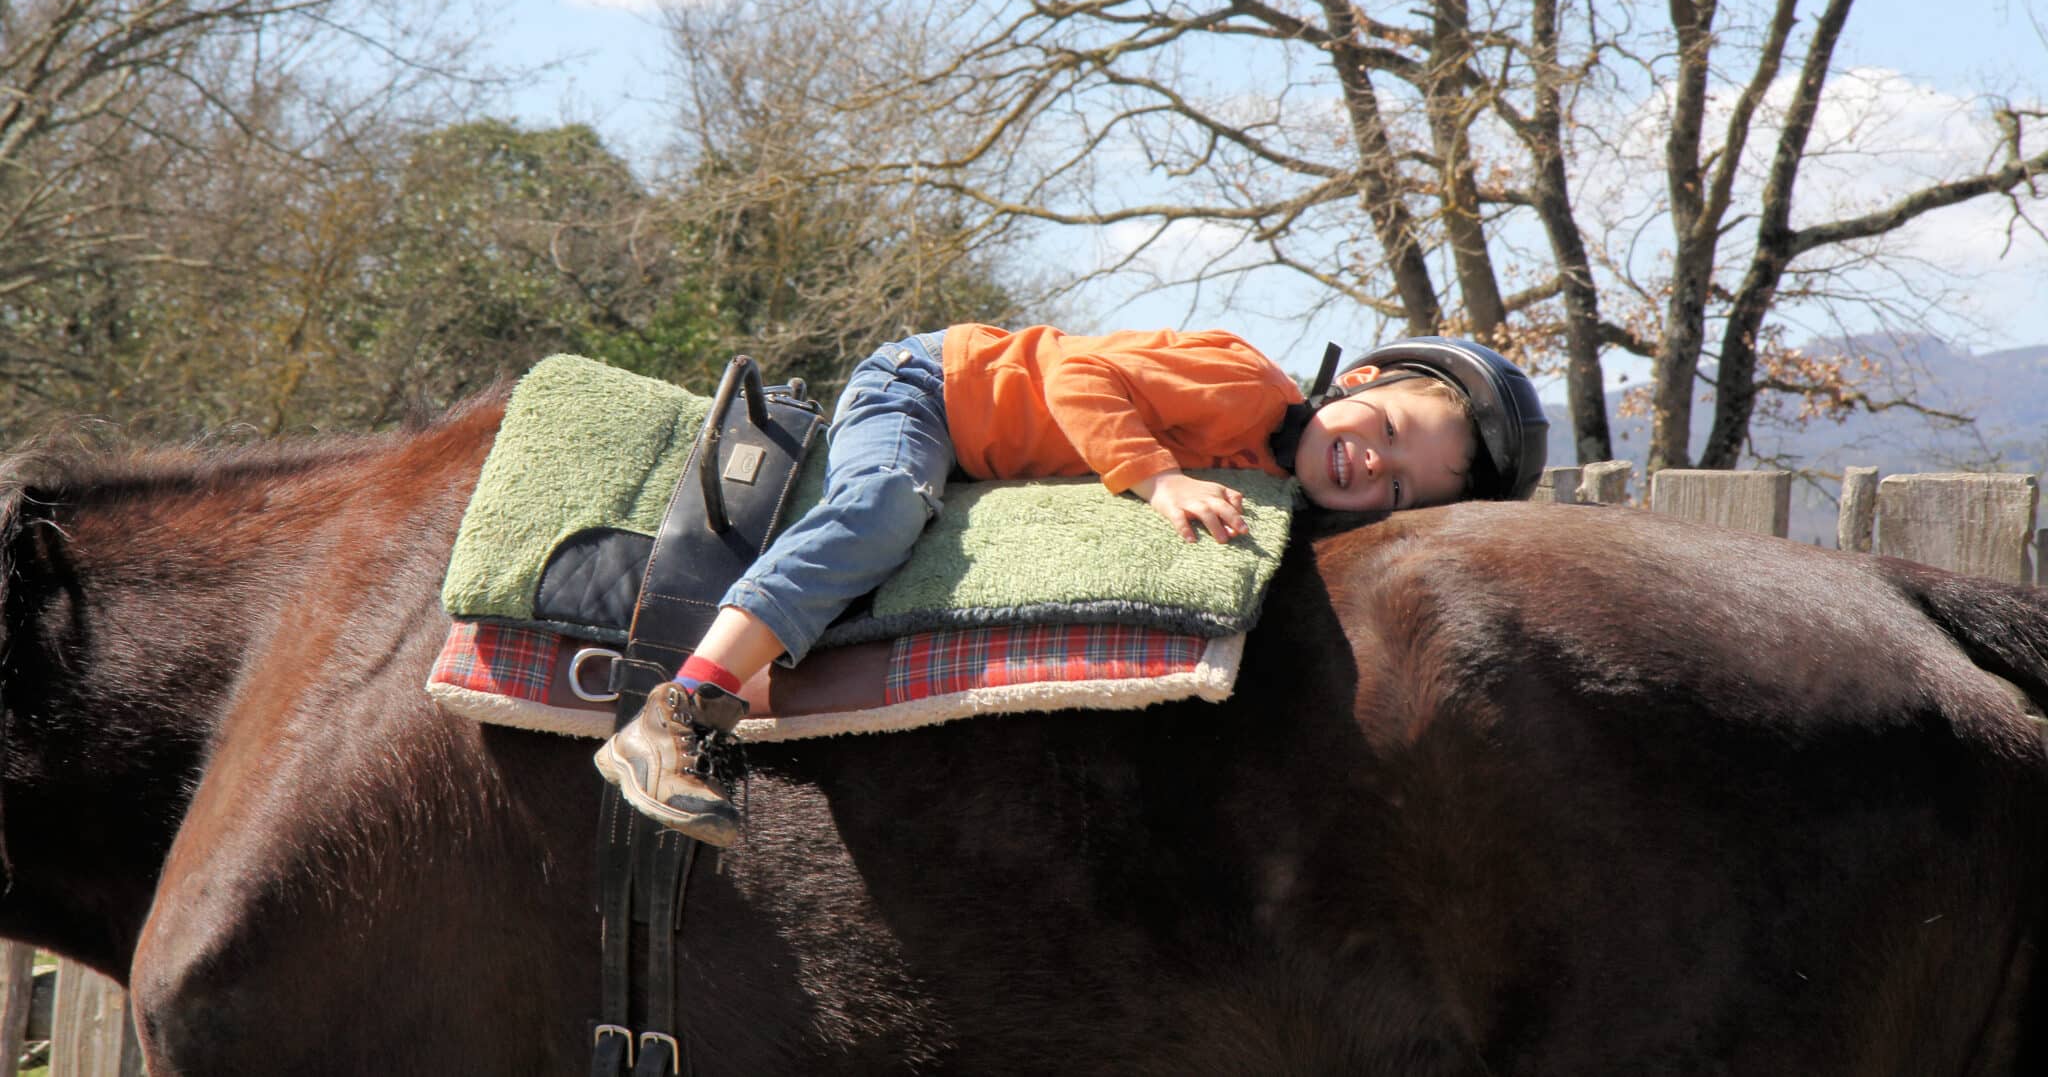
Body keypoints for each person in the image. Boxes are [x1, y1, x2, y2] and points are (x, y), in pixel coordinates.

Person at [594, 324, 1547, 845]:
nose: (1368, 463)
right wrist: (1157, 475)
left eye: (1397, 483)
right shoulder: (1248, 388)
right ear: (1361, 378)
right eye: (1381, 428)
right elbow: (1080, 373)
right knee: (886, 504)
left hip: (976, 428)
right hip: (929, 386)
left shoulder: (1265, 465)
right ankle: (681, 706)